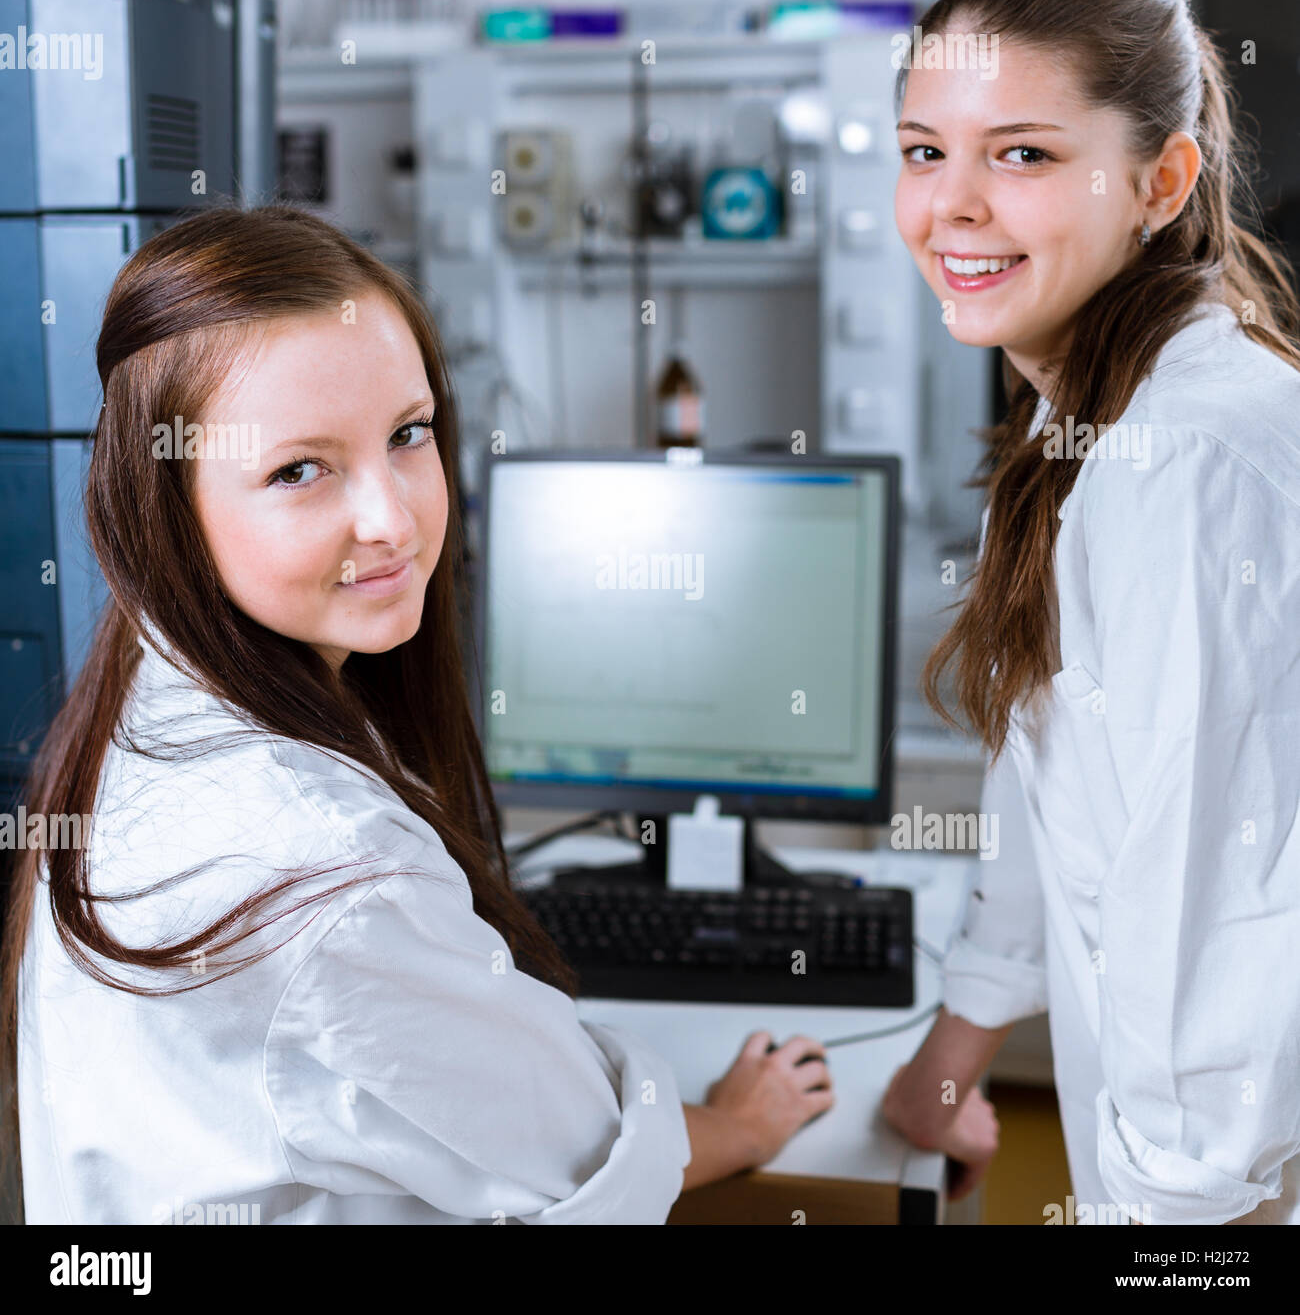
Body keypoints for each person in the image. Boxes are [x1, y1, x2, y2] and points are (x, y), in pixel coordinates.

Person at [0, 204, 833, 1224]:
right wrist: (741, 1126)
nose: (393, 519)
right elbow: (575, 1154)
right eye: (297, 470)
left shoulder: (146, 689)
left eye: (408, 433)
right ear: (164, 506)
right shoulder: (325, 872)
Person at [880, 0, 1300, 1226]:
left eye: (1022, 154)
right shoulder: (1105, 420)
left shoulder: (1183, 464)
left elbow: (1224, 937)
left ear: (1158, 180)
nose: (951, 204)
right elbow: (1060, 763)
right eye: (921, 149)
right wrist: (954, 1050)